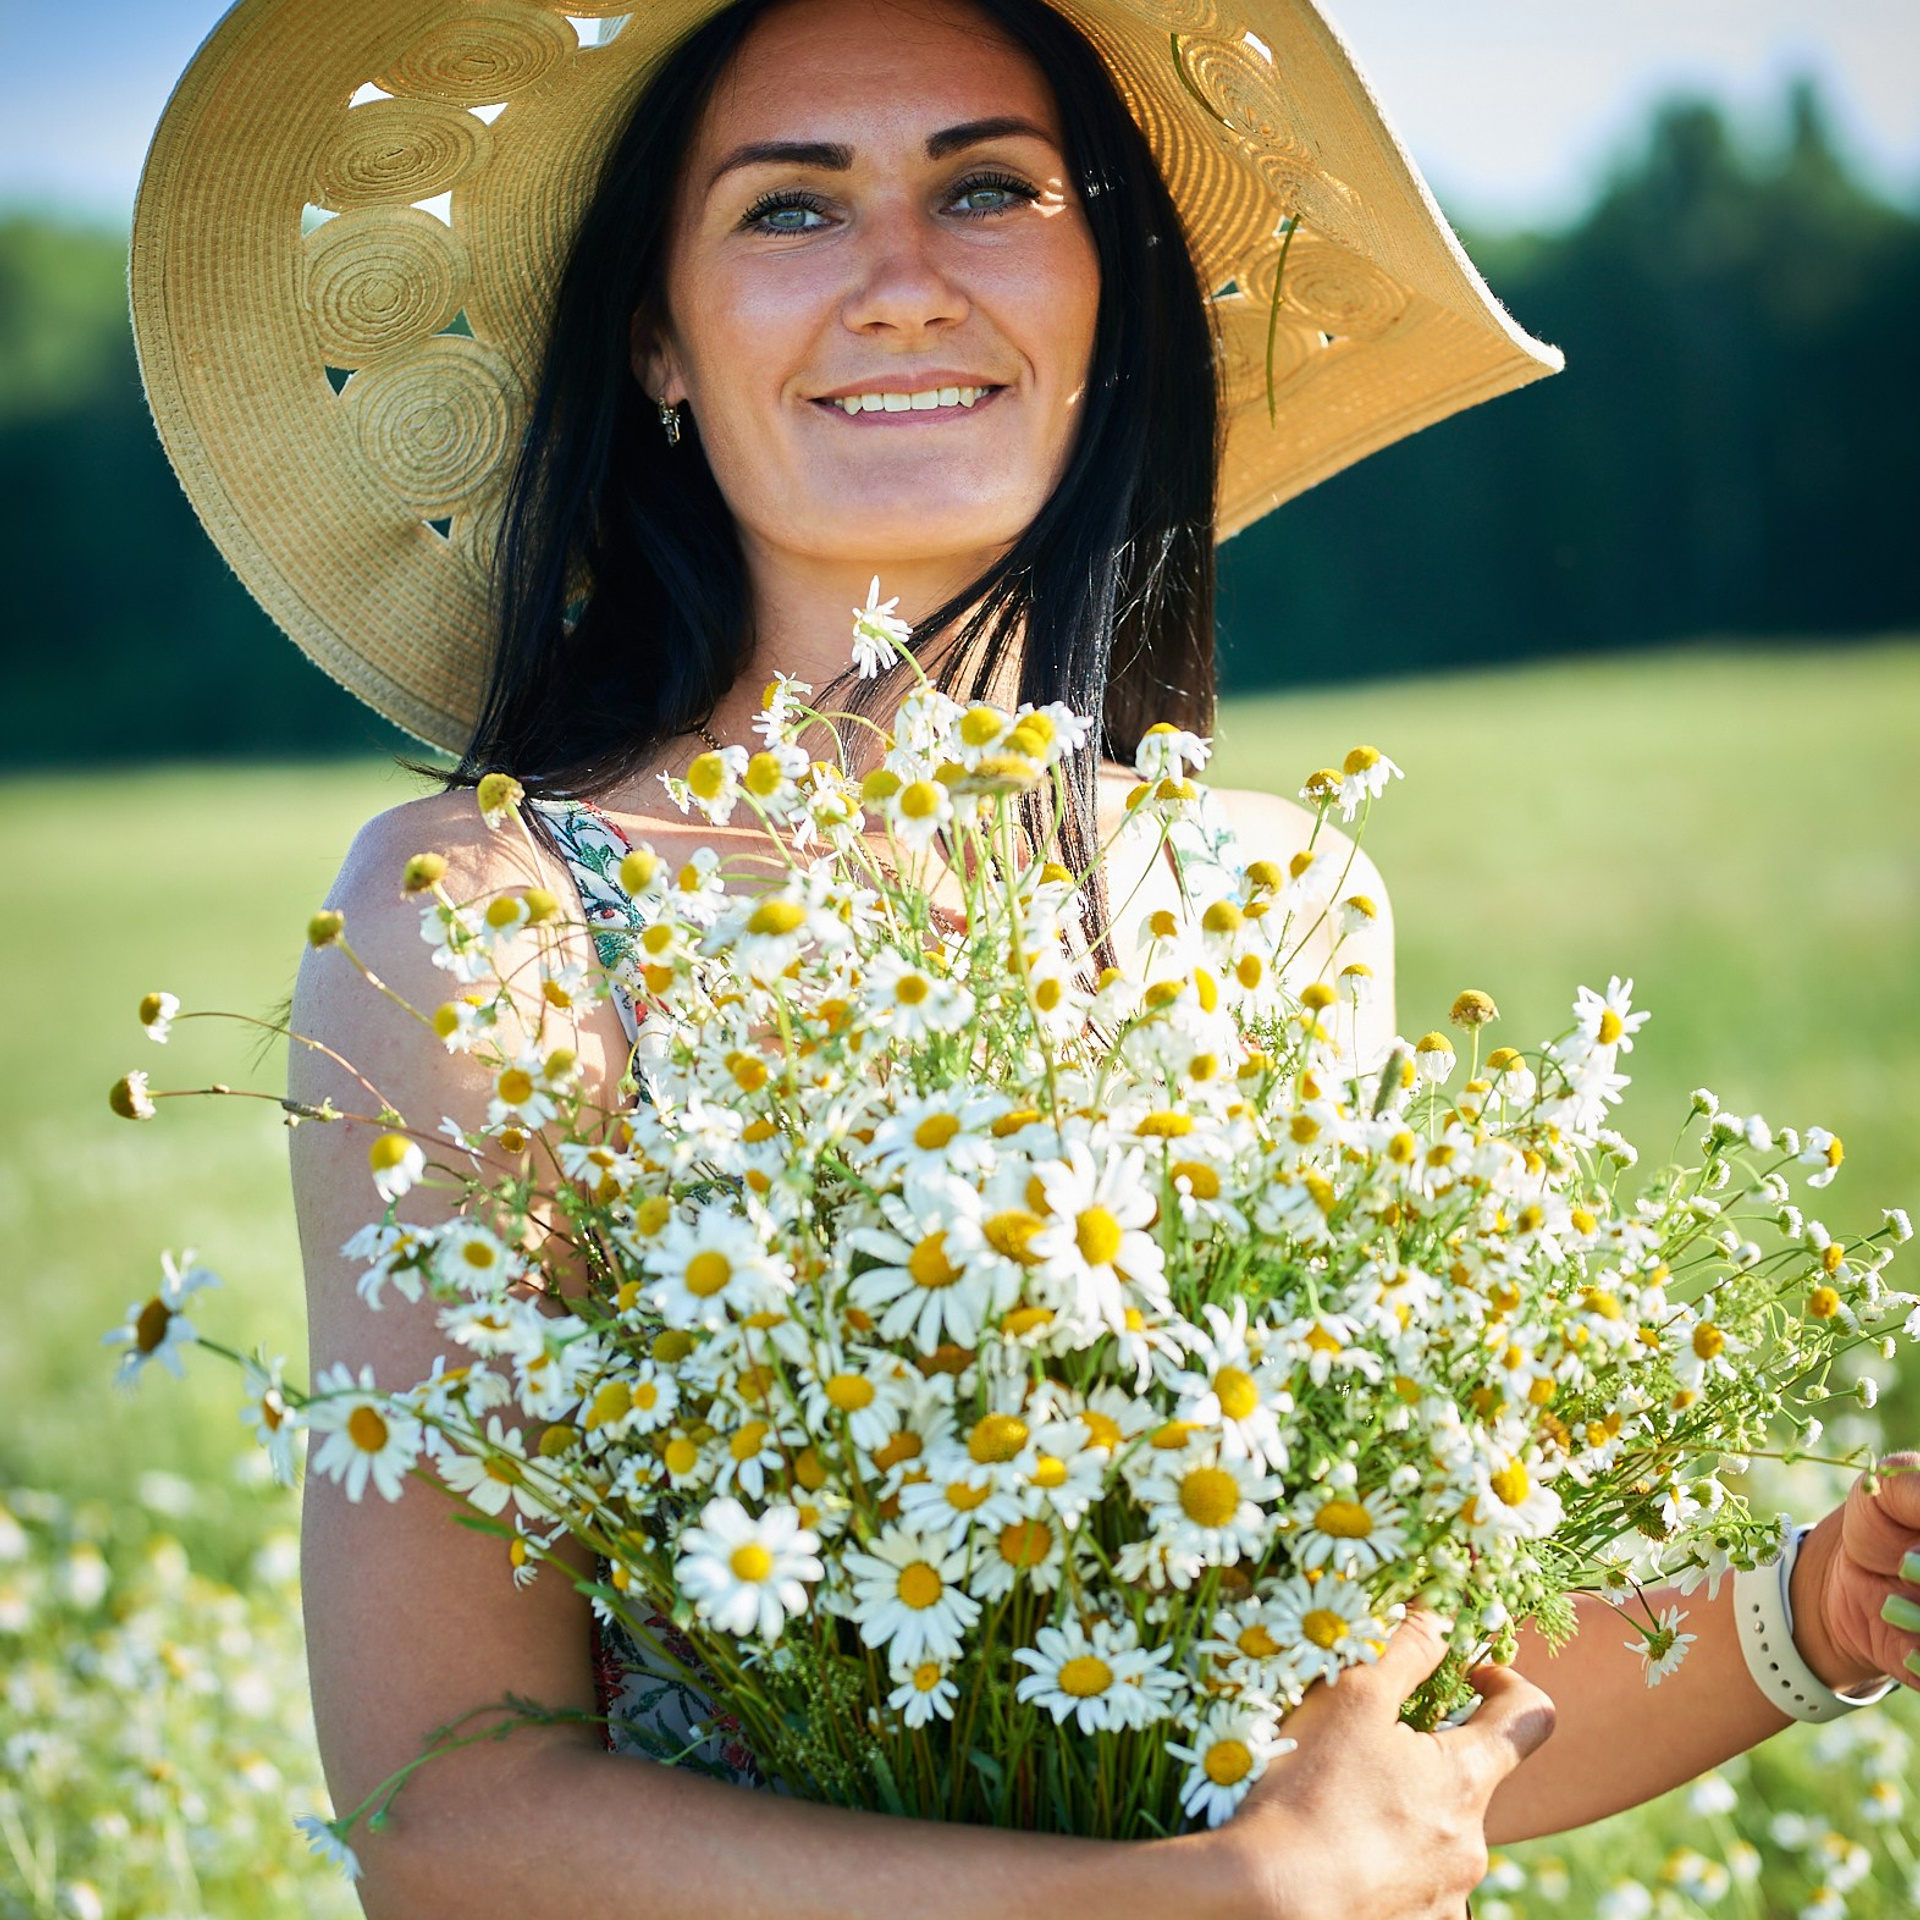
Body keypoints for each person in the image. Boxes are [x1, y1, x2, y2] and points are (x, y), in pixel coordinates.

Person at [129, 2, 1917, 1916]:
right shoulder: (490, 915)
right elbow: (447, 1823)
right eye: (789, 212)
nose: (902, 282)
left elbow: (1366, 1728)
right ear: (653, 334)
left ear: (1107, 297)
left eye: (988, 189)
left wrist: (1823, 1602)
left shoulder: (1291, 902)